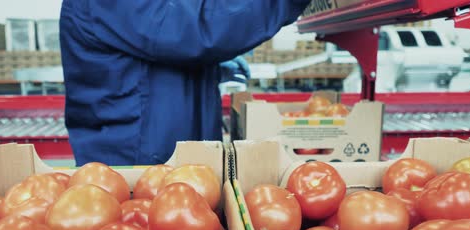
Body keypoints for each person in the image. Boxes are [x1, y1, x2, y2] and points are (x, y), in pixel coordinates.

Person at [60, 0, 310, 166]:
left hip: (162, 158)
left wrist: (207, 71)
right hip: (133, 166)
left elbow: (155, 46)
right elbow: (198, 29)